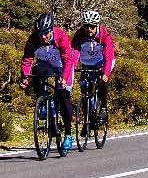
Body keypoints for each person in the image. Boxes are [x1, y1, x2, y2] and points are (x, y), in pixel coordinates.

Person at [19, 12, 76, 152]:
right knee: (37, 73)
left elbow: (68, 59)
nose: (43, 37)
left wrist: (64, 77)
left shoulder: (61, 36)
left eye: (46, 33)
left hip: (63, 65)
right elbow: (27, 59)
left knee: (63, 96)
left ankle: (68, 134)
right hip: (45, 63)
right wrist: (25, 78)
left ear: (51, 29)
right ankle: (44, 102)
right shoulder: (33, 39)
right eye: (40, 34)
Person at [71, 10, 115, 129]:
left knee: (102, 80)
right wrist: (72, 67)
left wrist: (105, 74)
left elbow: (109, 57)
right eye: (86, 26)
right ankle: (88, 119)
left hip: (102, 61)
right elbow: (74, 53)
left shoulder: (105, 36)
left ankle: (104, 108)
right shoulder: (79, 35)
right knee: (85, 90)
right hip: (87, 62)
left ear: (97, 25)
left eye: (92, 27)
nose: (89, 29)